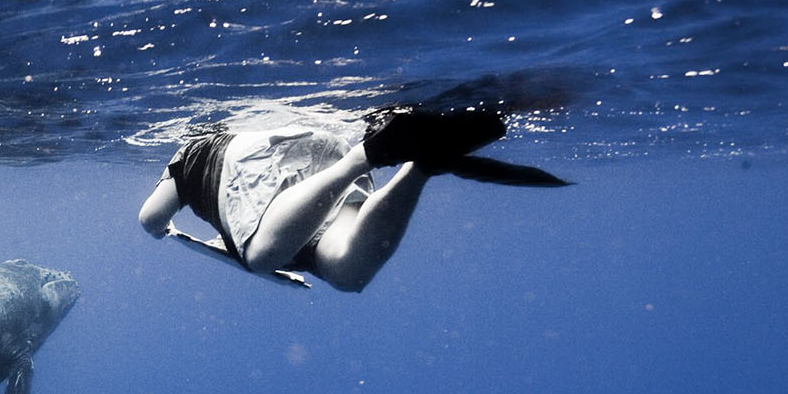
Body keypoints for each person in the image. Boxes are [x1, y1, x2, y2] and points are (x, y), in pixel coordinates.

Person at [136, 107, 569, 291]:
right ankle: (423, 165)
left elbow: (149, 218)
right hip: (319, 159)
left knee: (262, 255)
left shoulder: (190, 152)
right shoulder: (198, 149)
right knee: (346, 272)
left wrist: (163, 232)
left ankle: (369, 155)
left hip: (261, 165)